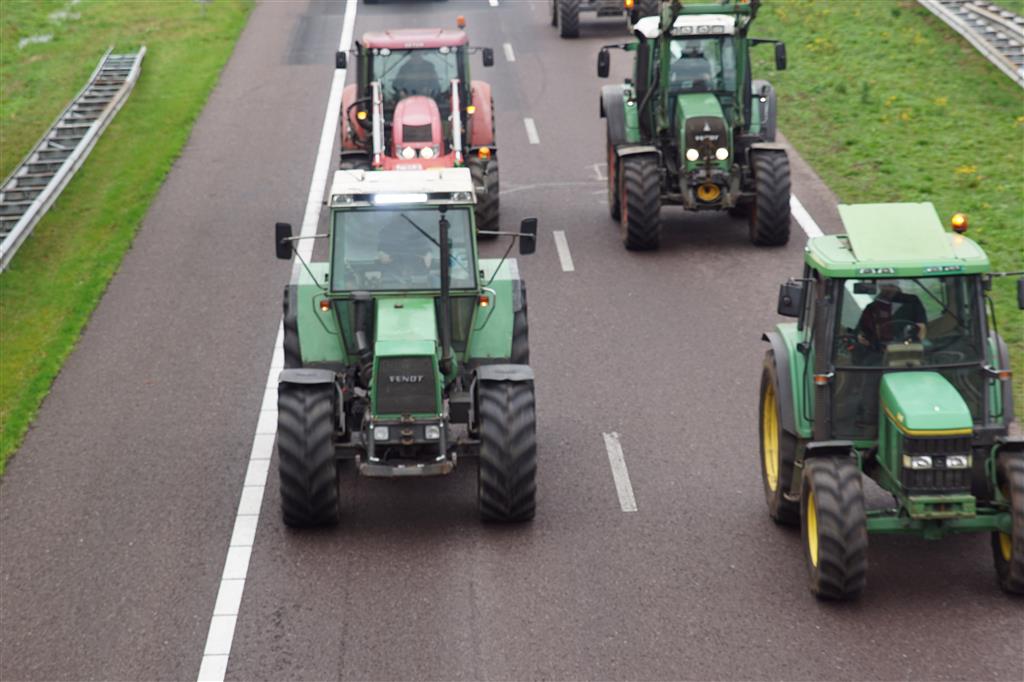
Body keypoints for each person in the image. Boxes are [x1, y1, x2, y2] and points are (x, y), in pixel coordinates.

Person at [856, 282, 927, 351]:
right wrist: (862, 337)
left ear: (896, 284)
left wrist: (916, 347)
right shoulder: (871, 307)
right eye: (885, 285)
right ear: (880, 287)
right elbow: (861, 330)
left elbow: (921, 327)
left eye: (890, 285)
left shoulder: (912, 301)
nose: (888, 288)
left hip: (907, 347)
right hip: (879, 349)